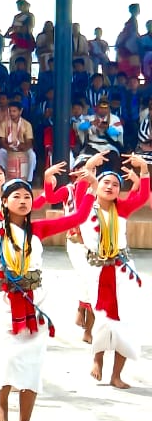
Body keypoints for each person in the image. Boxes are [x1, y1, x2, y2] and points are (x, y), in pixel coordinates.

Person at [0, 167, 95, 421]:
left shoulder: (40, 229)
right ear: (5, 202)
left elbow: (80, 217)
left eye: (27, 196)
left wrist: (92, 188)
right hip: (3, 303)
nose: (24, 201)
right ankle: (1, 404)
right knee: (6, 357)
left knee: (33, 364)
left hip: (34, 300)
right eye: (17, 196)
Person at [80, 158, 149, 389]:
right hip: (98, 269)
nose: (110, 187)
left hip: (123, 269)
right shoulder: (87, 208)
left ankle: (116, 375)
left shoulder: (122, 208)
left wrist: (144, 170)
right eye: (105, 182)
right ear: (97, 186)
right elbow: (84, 183)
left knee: (126, 322)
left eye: (115, 184)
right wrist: (90, 166)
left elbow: (142, 197)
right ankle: (97, 360)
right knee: (103, 320)